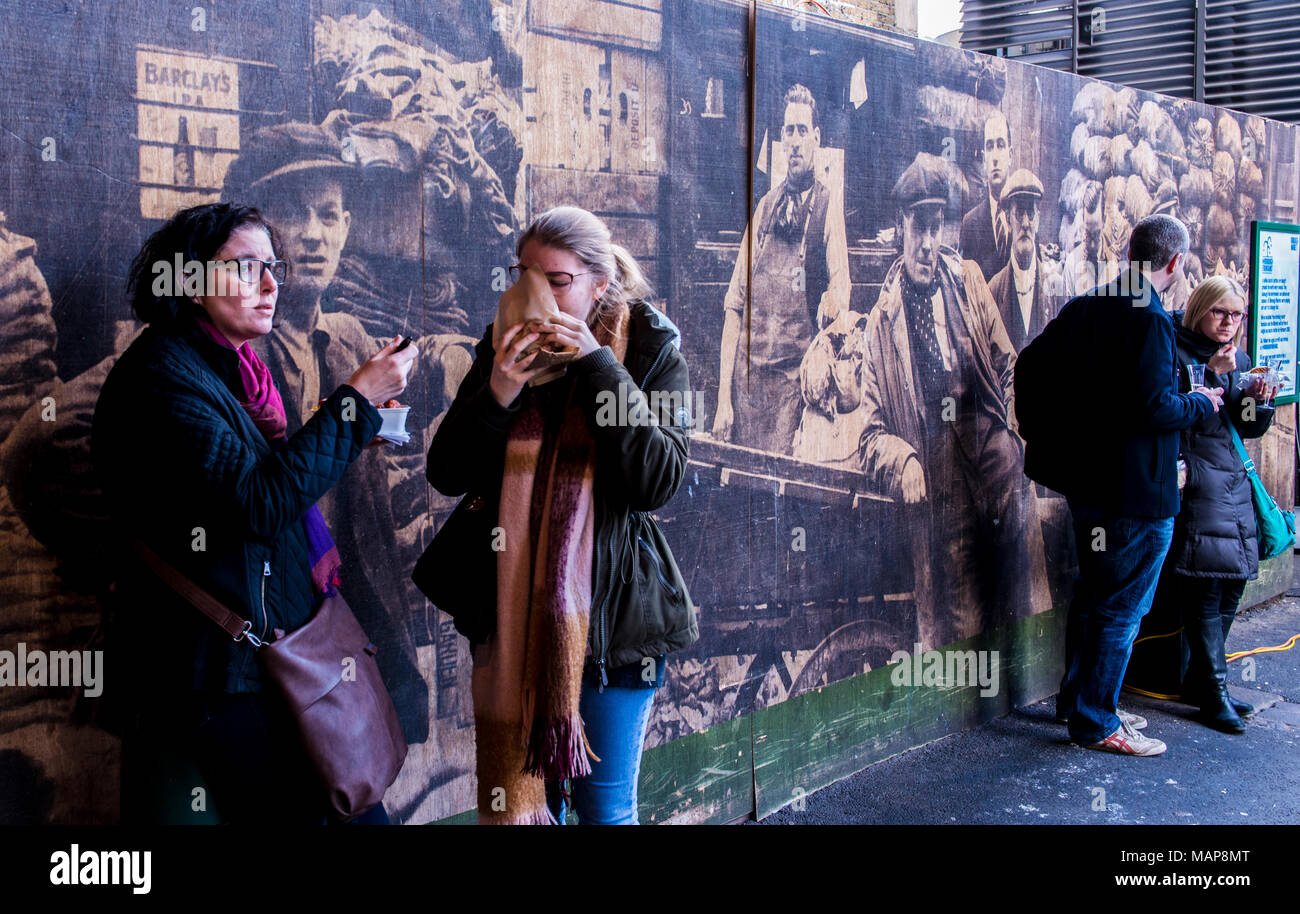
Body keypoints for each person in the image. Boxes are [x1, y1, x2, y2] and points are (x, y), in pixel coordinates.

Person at [92, 202, 419, 822]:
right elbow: (260, 504)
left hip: (265, 654)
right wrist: (355, 403)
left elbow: (266, 478)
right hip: (220, 671)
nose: (271, 285)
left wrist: (350, 426)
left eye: (272, 267)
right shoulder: (163, 377)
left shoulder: (231, 369)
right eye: (246, 268)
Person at [426, 206, 698, 824]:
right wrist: (497, 391)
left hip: (611, 629)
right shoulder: (503, 345)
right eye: (525, 275)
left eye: (556, 280)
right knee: (524, 809)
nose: (536, 294)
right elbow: (447, 473)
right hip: (511, 622)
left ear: (599, 284)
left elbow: (658, 479)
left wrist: (598, 364)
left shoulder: (651, 347)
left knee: (605, 811)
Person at [1024, 214, 1224, 756]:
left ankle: (1081, 701)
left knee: (1093, 596)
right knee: (1122, 607)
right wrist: (1200, 401)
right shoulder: (1152, 319)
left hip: (1088, 488)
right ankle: (1096, 722)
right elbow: (1153, 407)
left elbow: (1029, 365)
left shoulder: (1088, 304)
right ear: (1175, 262)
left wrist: (1049, 441)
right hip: (1137, 494)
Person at [858, 152, 1042, 652]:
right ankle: (973, 711)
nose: (927, 244)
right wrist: (905, 461)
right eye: (918, 228)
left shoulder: (970, 284)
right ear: (901, 227)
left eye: (936, 227)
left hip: (988, 446)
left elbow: (1009, 365)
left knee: (1013, 577)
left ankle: (1019, 678)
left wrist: (1013, 428)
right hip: (938, 467)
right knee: (962, 601)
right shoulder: (881, 323)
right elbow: (869, 435)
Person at [1156, 275, 1275, 733]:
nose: (1229, 323)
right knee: (1206, 587)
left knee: (1233, 584)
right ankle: (1214, 693)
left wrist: (1256, 402)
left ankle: (1201, 683)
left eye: (1237, 315)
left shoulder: (1240, 357)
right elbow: (1176, 416)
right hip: (1199, 480)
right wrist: (1217, 378)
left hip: (1234, 478)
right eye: (1219, 312)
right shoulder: (1174, 350)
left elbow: (1245, 427)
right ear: (1199, 309)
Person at [713, 83, 850, 453]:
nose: (794, 140)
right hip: (747, 391)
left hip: (792, 398)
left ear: (816, 139)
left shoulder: (826, 209)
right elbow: (734, 306)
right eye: (788, 130)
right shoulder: (764, 208)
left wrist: (832, 304)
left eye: (802, 131)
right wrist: (724, 399)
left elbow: (842, 292)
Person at [960, 111, 1014, 282]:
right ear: (984, 158)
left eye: (1001, 145)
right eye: (990, 146)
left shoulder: (1024, 216)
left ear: (1010, 155)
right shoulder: (970, 223)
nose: (995, 157)